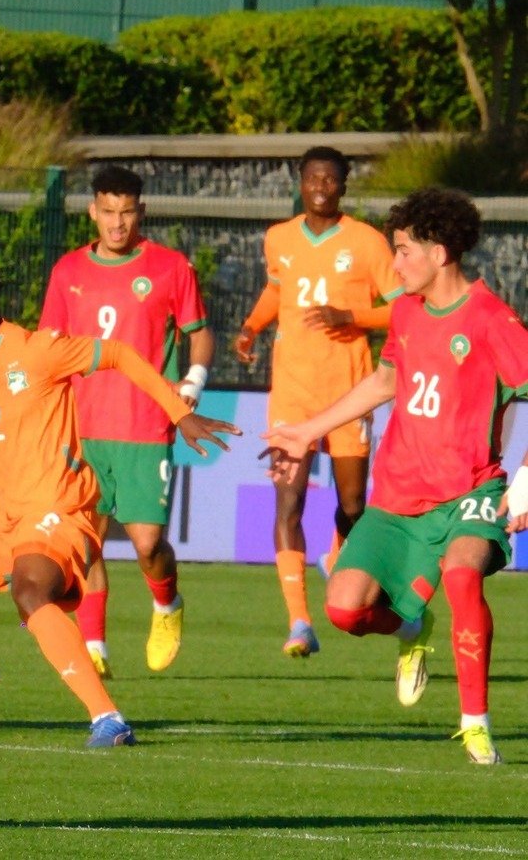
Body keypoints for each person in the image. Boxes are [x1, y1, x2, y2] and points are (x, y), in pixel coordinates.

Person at [0, 256, 240, 747]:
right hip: (4, 524)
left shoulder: (36, 351)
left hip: (60, 516)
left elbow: (120, 354)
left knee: (30, 592)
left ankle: (107, 717)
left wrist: (179, 412)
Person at [263, 187, 528, 764]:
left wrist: (524, 486)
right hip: (398, 495)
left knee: (463, 576)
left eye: (405, 250)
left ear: (440, 252)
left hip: (467, 492)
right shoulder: (407, 310)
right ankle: (412, 627)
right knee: (344, 610)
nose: (397, 262)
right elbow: (385, 383)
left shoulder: (490, 318)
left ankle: (475, 723)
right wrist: (307, 431)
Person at [39, 164, 213, 678]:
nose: (117, 223)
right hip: (82, 427)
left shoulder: (169, 267)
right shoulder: (68, 272)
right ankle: (94, 647)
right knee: (86, 541)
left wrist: (193, 383)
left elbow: (199, 333)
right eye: (108, 212)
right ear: (92, 211)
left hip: (144, 426)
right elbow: (50, 348)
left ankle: (167, 605)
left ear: (142, 211)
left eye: (127, 212)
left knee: (146, 544)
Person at [234, 146, 401, 657]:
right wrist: (251, 326)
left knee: (353, 505)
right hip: (292, 392)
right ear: (300, 183)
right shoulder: (278, 238)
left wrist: (352, 317)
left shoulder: (368, 243)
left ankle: (336, 558)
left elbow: (401, 309)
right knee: (289, 502)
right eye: (312, 178)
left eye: (331, 179)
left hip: (350, 391)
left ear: (343, 186)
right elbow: (275, 289)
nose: (321, 186)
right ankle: (300, 622)